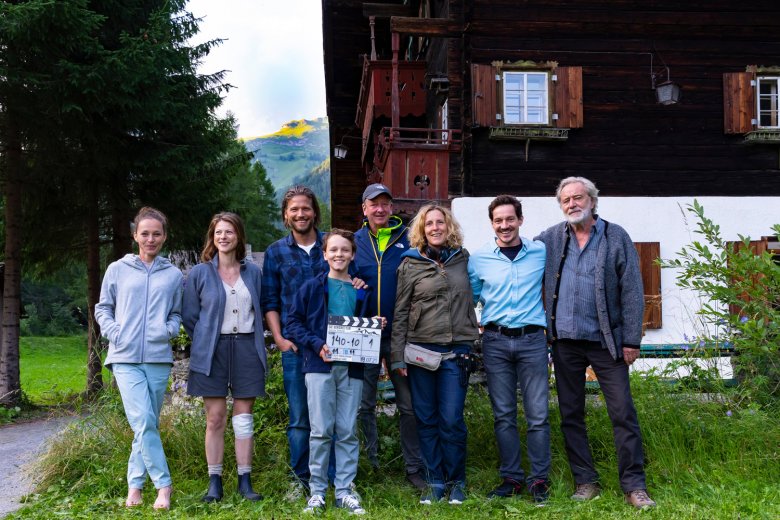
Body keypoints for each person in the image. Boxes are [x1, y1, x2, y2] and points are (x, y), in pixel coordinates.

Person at [535, 176, 656, 509]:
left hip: (607, 343)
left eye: (578, 198)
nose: (572, 204)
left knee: (623, 413)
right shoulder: (549, 239)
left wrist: (631, 339)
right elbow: (520, 260)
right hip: (564, 344)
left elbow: (632, 291)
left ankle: (634, 486)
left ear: (592, 200)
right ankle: (585, 481)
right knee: (571, 414)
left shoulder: (616, 237)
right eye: (566, 200)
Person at [390, 204, 480, 506]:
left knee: (452, 419)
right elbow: (400, 311)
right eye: (429, 224)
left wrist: (471, 337)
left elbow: (477, 293)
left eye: (440, 222)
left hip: (456, 354)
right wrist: (397, 356)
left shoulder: (462, 260)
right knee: (425, 420)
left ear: (448, 225)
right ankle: (434, 481)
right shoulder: (409, 264)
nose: (435, 228)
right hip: (419, 354)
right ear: (422, 229)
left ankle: (457, 482)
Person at [95, 207, 182, 510]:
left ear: (164, 237)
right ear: (135, 236)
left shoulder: (173, 274)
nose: (150, 238)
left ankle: (134, 486)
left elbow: (176, 313)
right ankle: (164, 485)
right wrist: (115, 332)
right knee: (143, 420)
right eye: (144, 233)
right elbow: (103, 307)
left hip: (158, 358)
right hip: (125, 357)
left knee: (145, 425)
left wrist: (167, 329)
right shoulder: (118, 269)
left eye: (156, 233)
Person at [467, 195, 551, 504]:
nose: (505, 225)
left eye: (510, 219)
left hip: (532, 341)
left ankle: (539, 480)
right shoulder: (479, 259)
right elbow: (472, 297)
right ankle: (512, 478)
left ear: (520, 219)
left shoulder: (541, 252)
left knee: (538, 415)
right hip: (495, 342)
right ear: (492, 223)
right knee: (503, 414)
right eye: (498, 220)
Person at [286, 229, 374, 515]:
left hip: (353, 369)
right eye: (333, 250)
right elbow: (293, 324)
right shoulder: (311, 288)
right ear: (324, 254)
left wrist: (375, 325)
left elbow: (365, 325)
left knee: (347, 430)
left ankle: (346, 490)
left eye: (344, 250)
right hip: (319, 367)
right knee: (321, 430)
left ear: (352, 254)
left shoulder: (361, 289)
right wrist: (317, 344)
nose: (339, 255)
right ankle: (318, 491)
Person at [183, 212, 266, 503]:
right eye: (218, 232)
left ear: (239, 236)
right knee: (215, 418)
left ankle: (245, 481)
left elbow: (263, 311)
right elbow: (191, 317)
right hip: (212, 350)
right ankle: (214, 482)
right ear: (212, 236)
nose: (223, 237)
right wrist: (207, 339)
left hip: (246, 348)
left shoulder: (254, 272)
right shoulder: (200, 273)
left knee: (243, 419)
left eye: (229, 232)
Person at [354, 183, 425, 490]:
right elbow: (336, 273)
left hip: (401, 334)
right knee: (363, 404)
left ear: (392, 207)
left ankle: (414, 467)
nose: (380, 209)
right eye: (374, 204)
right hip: (365, 332)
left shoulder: (409, 239)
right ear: (364, 209)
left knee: (408, 404)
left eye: (385, 203)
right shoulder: (353, 241)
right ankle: (370, 464)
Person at [261, 186, 329, 493]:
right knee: (300, 417)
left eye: (305, 208)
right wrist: (278, 338)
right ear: (285, 215)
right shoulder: (276, 252)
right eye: (294, 209)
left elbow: (349, 281)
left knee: (330, 416)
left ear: (314, 211)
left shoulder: (332, 244)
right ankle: (300, 479)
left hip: (331, 347)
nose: (300, 214)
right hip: (295, 348)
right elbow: (270, 301)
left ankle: (332, 477)